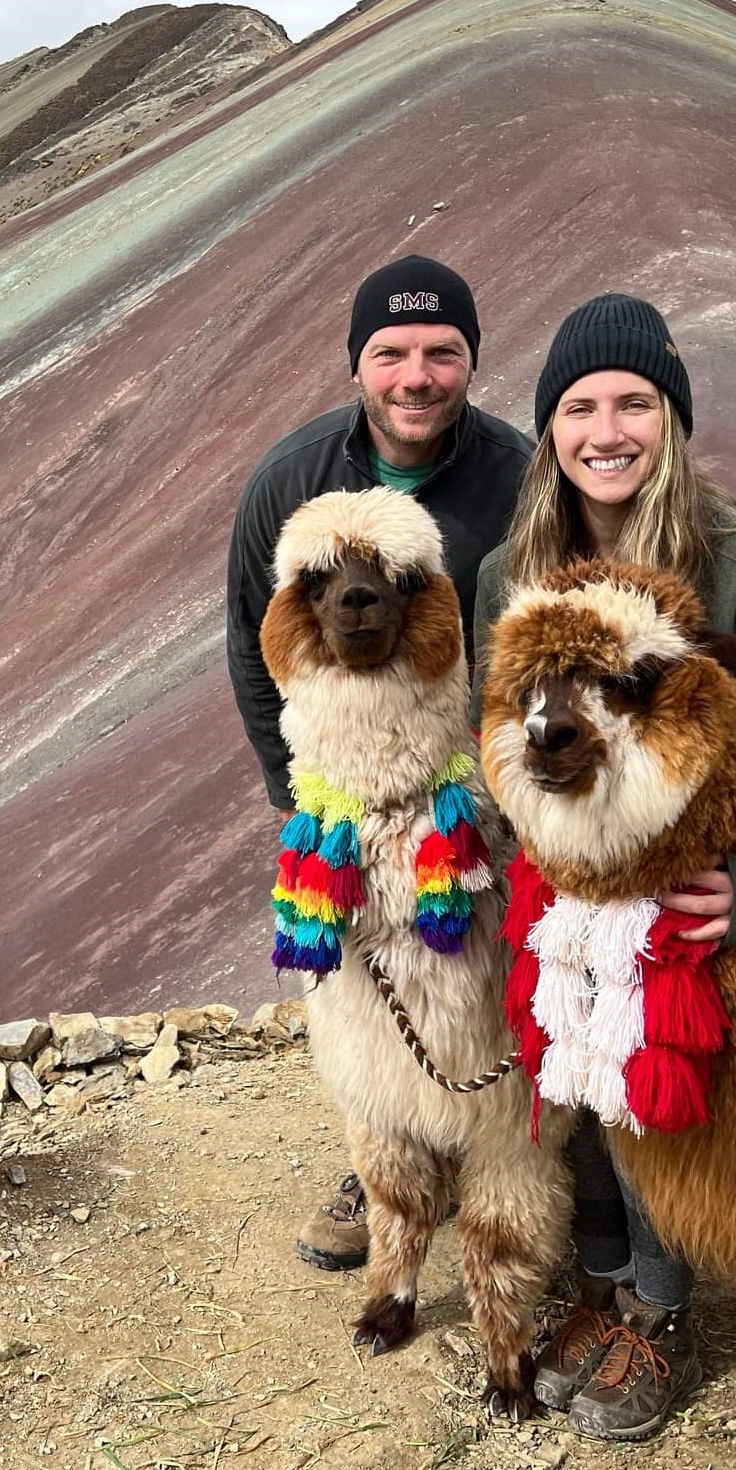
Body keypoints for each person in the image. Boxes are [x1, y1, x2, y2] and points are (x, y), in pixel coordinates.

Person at [469, 293, 736, 1442]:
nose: (606, 430)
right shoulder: (512, 574)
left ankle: (663, 1304)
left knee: (658, 1079)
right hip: (566, 886)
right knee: (571, 1075)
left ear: (671, 419)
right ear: (548, 430)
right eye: (579, 406)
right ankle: (607, 1275)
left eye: (633, 403)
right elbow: (494, 740)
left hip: (689, 901)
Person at [225, 254, 533, 1271]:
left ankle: (501, 1156)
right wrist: (300, 797)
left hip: (476, 790)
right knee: (361, 987)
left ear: (469, 361)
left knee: (474, 983)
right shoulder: (293, 479)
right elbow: (252, 637)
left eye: (441, 352)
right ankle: (385, 1162)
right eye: (390, 352)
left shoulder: (518, 478)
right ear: (358, 363)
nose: (416, 376)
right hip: (346, 795)